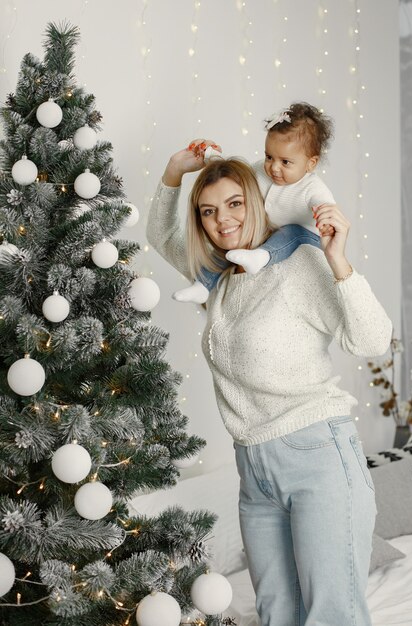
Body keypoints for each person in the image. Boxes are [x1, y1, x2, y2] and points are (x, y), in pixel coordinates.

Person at [146, 149, 392, 625]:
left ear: (257, 201)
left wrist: (337, 258)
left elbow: (373, 339)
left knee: (331, 616)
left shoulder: (298, 262)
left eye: (235, 203)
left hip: (318, 457)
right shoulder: (218, 274)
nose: (224, 221)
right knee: (277, 613)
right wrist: (176, 172)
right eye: (209, 211)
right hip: (254, 469)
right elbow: (161, 234)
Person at [173, 101, 336, 304]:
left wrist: (326, 219)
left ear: (311, 163)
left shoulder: (312, 188)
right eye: (269, 157)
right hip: (270, 235)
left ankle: (262, 257)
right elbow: (234, 178)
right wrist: (209, 156)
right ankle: (202, 285)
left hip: (305, 238)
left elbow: (326, 207)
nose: (274, 168)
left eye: (285, 162)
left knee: (292, 231)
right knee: (225, 250)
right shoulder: (261, 170)